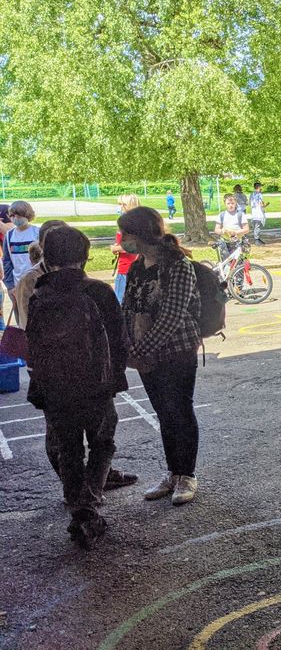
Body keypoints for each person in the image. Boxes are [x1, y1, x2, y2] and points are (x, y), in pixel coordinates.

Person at [25, 226, 129, 549]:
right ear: (85, 256)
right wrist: (114, 377)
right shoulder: (99, 292)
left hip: (55, 389)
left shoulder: (40, 295)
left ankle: (76, 507)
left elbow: (33, 344)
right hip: (96, 386)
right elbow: (119, 340)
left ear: (48, 257)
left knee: (68, 450)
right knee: (102, 443)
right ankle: (89, 504)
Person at [119, 207, 202, 506]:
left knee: (180, 410)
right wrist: (128, 346)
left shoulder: (178, 266)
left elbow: (172, 317)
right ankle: (172, 473)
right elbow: (127, 308)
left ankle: (187, 475)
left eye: (126, 233)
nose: (122, 239)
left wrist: (139, 351)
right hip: (145, 354)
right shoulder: (137, 266)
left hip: (176, 351)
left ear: (141, 234)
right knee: (163, 413)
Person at [2, 200, 41, 324]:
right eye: (12, 215)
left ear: (27, 214)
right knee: (21, 321)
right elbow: (7, 262)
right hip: (17, 285)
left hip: (36, 283)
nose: (15, 218)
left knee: (37, 319)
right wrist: (10, 286)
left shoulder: (37, 232)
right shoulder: (9, 236)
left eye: (18, 215)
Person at [110, 194, 141, 303]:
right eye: (119, 204)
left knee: (121, 301)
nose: (120, 207)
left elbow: (133, 246)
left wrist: (115, 249)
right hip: (128, 266)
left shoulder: (131, 225)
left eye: (123, 204)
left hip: (127, 268)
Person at [214, 193, 250, 262]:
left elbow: (246, 229)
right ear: (225, 204)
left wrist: (235, 232)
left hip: (238, 243)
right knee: (226, 264)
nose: (230, 205)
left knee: (238, 264)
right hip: (224, 244)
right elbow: (216, 229)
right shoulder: (221, 215)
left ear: (236, 203)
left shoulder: (240, 214)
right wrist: (223, 231)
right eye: (228, 203)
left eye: (232, 203)